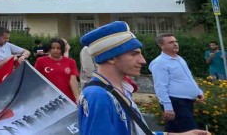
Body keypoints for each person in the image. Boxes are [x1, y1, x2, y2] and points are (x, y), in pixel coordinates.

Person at [78, 21, 209, 135]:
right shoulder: (98, 95)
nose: (143, 61)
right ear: (111, 57)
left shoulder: (120, 89)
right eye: (134, 54)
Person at [149, 33, 205, 133]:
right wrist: (168, 107)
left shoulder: (179, 59)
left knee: (175, 131)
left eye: (175, 41)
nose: (175, 44)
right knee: (190, 131)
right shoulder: (160, 63)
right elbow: (160, 86)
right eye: (171, 42)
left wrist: (198, 91)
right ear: (161, 46)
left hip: (186, 103)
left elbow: (188, 77)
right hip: (176, 102)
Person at [34, 38, 79, 102]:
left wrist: (77, 97)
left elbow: (73, 81)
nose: (55, 50)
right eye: (53, 48)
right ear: (49, 49)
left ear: (62, 49)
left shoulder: (71, 62)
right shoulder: (40, 61)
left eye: (58, 48)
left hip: (68, 99)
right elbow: (36, 79)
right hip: (49, 99)